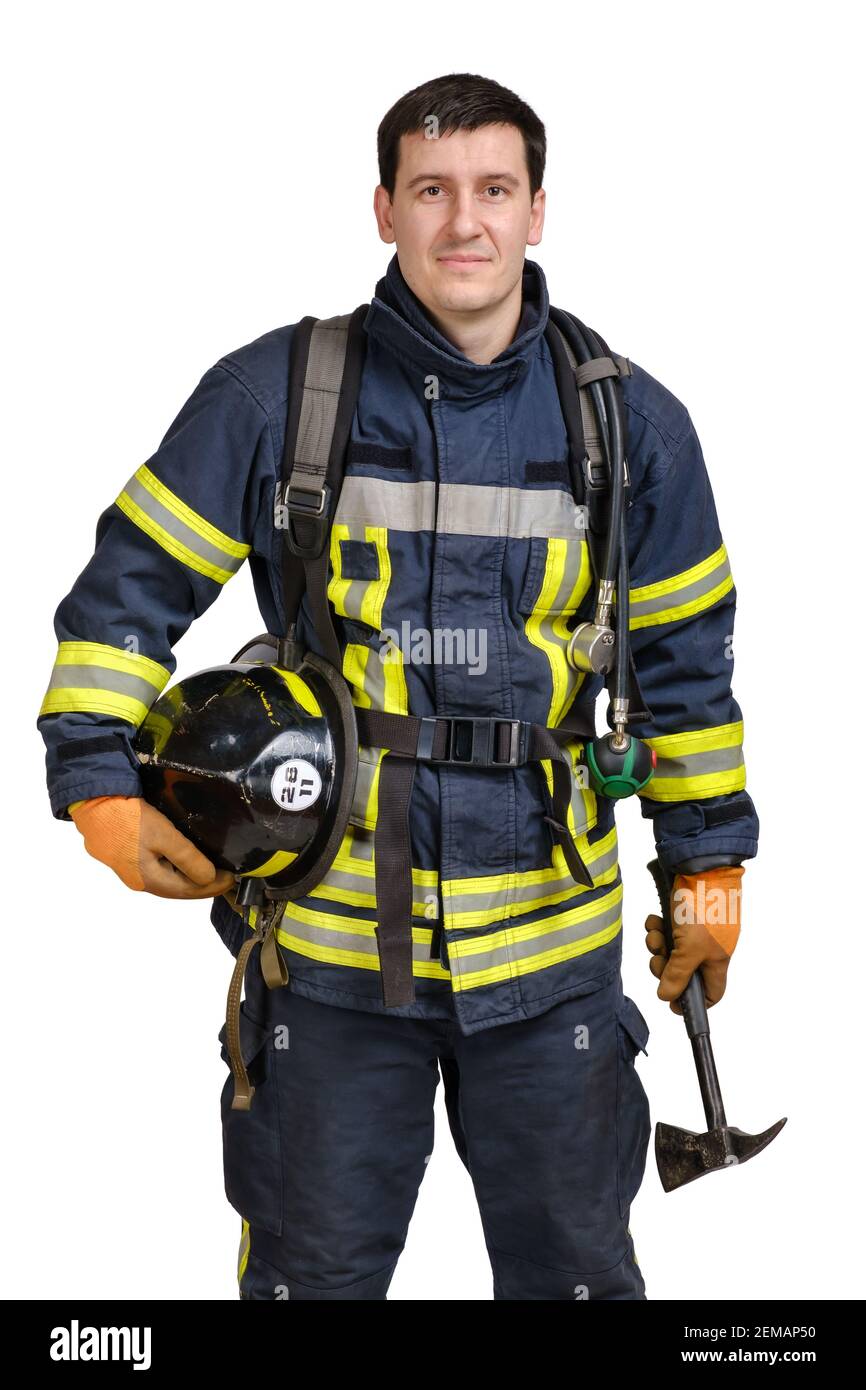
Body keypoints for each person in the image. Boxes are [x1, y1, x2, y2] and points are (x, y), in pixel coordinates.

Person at [37, 72, 758, 1301]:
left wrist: (706, 870)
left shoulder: (632, 427)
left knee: (576, 1276)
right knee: (309, 1281)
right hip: (326, 962)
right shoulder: (276, 397)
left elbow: (687, 670)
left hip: (551, 962)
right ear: (383, 208)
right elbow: (126, 591)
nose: (461, 222)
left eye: (492, 189)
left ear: (538, 211)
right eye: (430, 190)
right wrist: (97, 786)